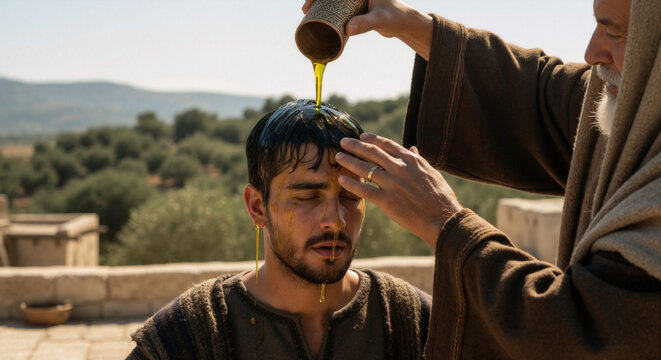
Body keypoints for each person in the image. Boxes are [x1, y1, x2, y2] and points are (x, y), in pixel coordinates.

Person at [303, 0, 661, 358]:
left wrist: (445, 223)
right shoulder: (647, 110)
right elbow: (549, 98)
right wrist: (411, 25)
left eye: (614, 33)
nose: (591, 53)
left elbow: (580, 335)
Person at [128, 100, 431, 359]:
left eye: (351, 196)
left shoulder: (413, 323)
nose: (336, 220)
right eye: (308, 197)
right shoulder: (188, 336)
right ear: (257, 207)